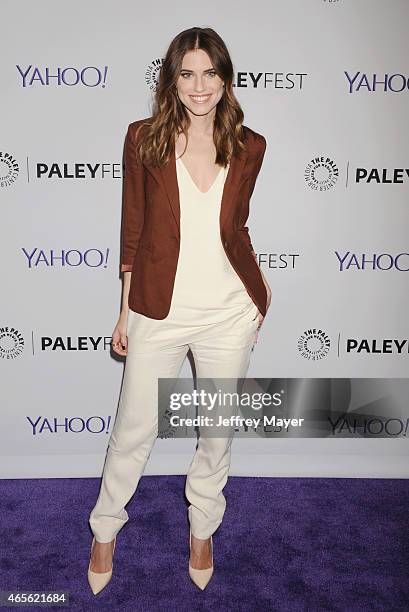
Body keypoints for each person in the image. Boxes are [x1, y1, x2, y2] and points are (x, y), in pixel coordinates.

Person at [87, 26, 271, 595]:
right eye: (187, 73)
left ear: (225, 78)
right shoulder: (143, 138)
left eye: (210, 73)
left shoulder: (250, 145)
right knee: (134, 428)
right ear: (172, 78)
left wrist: (256, 295)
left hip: (227, 310)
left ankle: (202, 530)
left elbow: (233, 227)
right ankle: (104, 531)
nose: (199, 86)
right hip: (158, 310)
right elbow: (133, 230)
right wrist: (125, 312)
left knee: (216, 432)